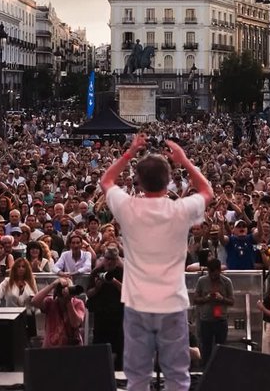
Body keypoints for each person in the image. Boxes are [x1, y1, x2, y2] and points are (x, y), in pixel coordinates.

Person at [100, 134, 214, 391]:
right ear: (170, 179)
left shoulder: (127, 207)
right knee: (177, 376)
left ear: (138, 181)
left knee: (137, 377)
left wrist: (130, 152)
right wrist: (184, 160)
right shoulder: (180, 210)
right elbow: (207, 191)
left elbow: (106, 181)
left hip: (137, 303)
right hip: (172, 303)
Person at [87, 246, 125, 367]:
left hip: (118, 316)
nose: (109, 262)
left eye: (112, 259)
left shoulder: (122, 272)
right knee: (100, 348)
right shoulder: (96, 272)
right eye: (107, 258)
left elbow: (128, 292)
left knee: (119, 348)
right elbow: (88, 293)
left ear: (116, 259)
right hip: (101, 315)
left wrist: (114, 281)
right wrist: (97, 288)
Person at [194, 257, 234, 368]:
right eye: (210, 273)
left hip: (221, 320)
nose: (212, 276)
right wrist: (206, 298)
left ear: (219, 271)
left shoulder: (226, 282)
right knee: (205, 348)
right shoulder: (202, 281)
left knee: (221, 348)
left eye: (214, 273)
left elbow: (232, 301)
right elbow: (195, 299)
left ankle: (220, 370)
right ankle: (204, 370)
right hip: (206, 321)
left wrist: (222, 299)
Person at [32, 276, 87, 347]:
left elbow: (75, 323)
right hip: (51, 348)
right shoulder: (50, 302)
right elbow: (34, 301)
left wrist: (68, 302)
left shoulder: (78, 303)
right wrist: (53, 285)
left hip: (72, 348)